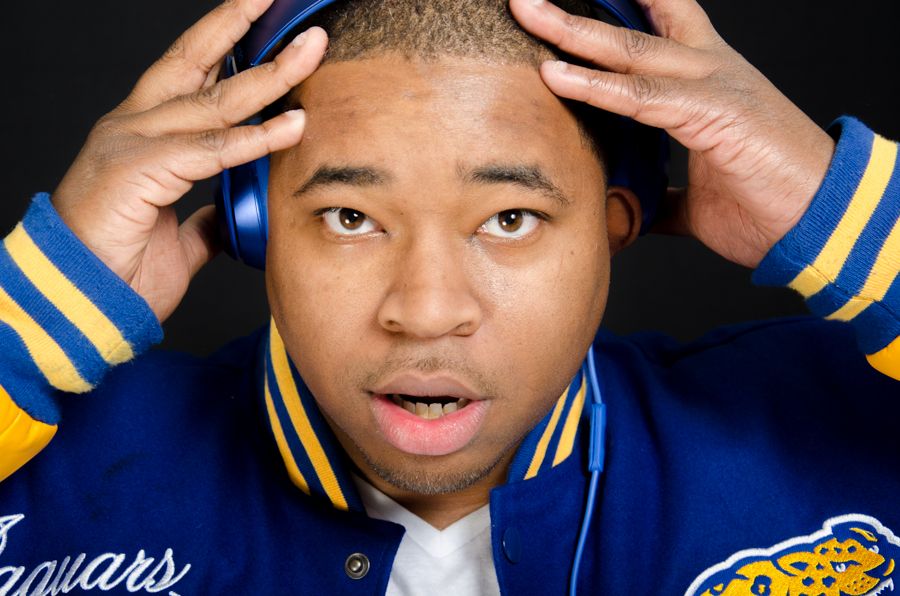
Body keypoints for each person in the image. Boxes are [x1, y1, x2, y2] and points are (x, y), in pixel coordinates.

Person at [0, 0, 896, 594]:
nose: (427, 312)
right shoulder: (59, 467)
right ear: (254, 224)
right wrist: (29, 320)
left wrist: (844, 211)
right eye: (352, 217)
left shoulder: (831, 414)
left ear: (611, 227)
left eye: (509, 219)